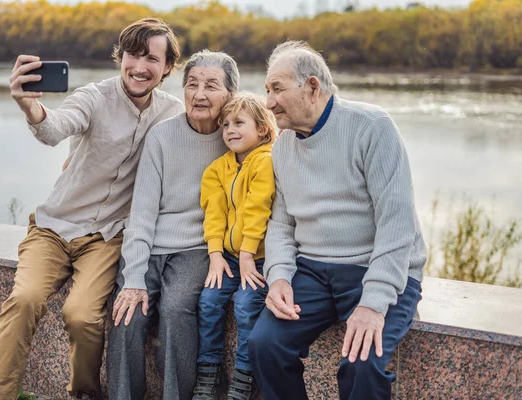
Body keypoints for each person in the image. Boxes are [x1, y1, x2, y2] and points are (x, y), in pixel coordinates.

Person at [0, 18, 184, 400]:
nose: (141, 67)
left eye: (152, 59)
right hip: (53, 228)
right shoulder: (94, 96)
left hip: (106, 237)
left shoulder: (173, 112)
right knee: (23, 301)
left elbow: (210, 130)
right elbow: (55, 127)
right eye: (133, 55)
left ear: (168, 67)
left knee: (82, 315)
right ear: (120, 57)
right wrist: (30, 108)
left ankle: (83, 394)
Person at [248, 41, 427, 400]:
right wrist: (280, 276)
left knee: (362, 364)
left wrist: (374, 303)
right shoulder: (282, 147)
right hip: (313, 271)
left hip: (377, 267)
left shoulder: (372, 127)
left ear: (313, 87)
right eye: (267, 90)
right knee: (264, 344)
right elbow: (282, 224)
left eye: (277, 89)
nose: (268, 102)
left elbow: (397, 224)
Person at [106, 50, 240, 400]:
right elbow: (143, 212)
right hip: (151, 245)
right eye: (192, 84)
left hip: (199, 247)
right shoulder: (162, 136)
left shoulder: (237, 139)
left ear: (231, 94)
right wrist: (133, 276)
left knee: (177, 308)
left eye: (211, 86)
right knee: (127, 314)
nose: (199, 94)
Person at [192, 92, 276, 400]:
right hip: (228, 256)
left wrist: (247, 256)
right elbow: (213, 214)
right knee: (209, 301)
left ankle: (245, 374)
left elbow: (257, 209)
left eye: (239, 122)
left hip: (260, 258)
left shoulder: (265, 162)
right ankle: (209, 371)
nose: (230, 130)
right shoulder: (217, 169)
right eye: (225, 124)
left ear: (263, 129)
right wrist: (215, 254)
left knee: (245, 304)